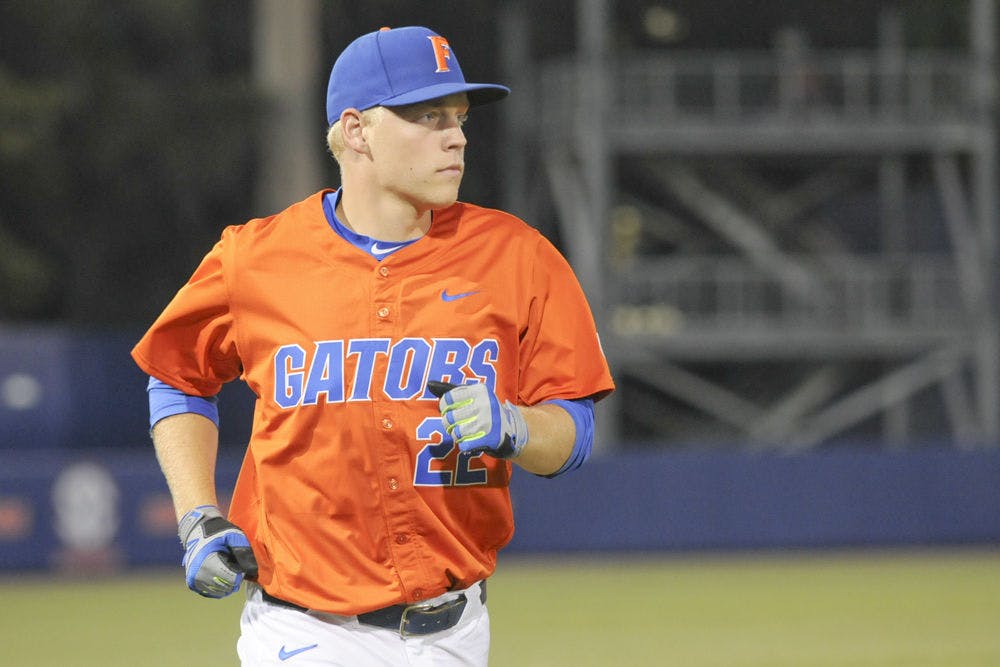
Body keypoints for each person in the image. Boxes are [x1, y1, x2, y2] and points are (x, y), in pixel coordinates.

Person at [132, 25, 614, 666]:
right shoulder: (254, 258)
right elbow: (175, 376)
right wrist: (197, 514)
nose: (458, 136)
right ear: (356, 131)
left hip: (456, 632)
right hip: (302, 631)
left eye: (461, 117)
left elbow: (574, 435)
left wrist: (516, 427)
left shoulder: (519, 257)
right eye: (429, 116)